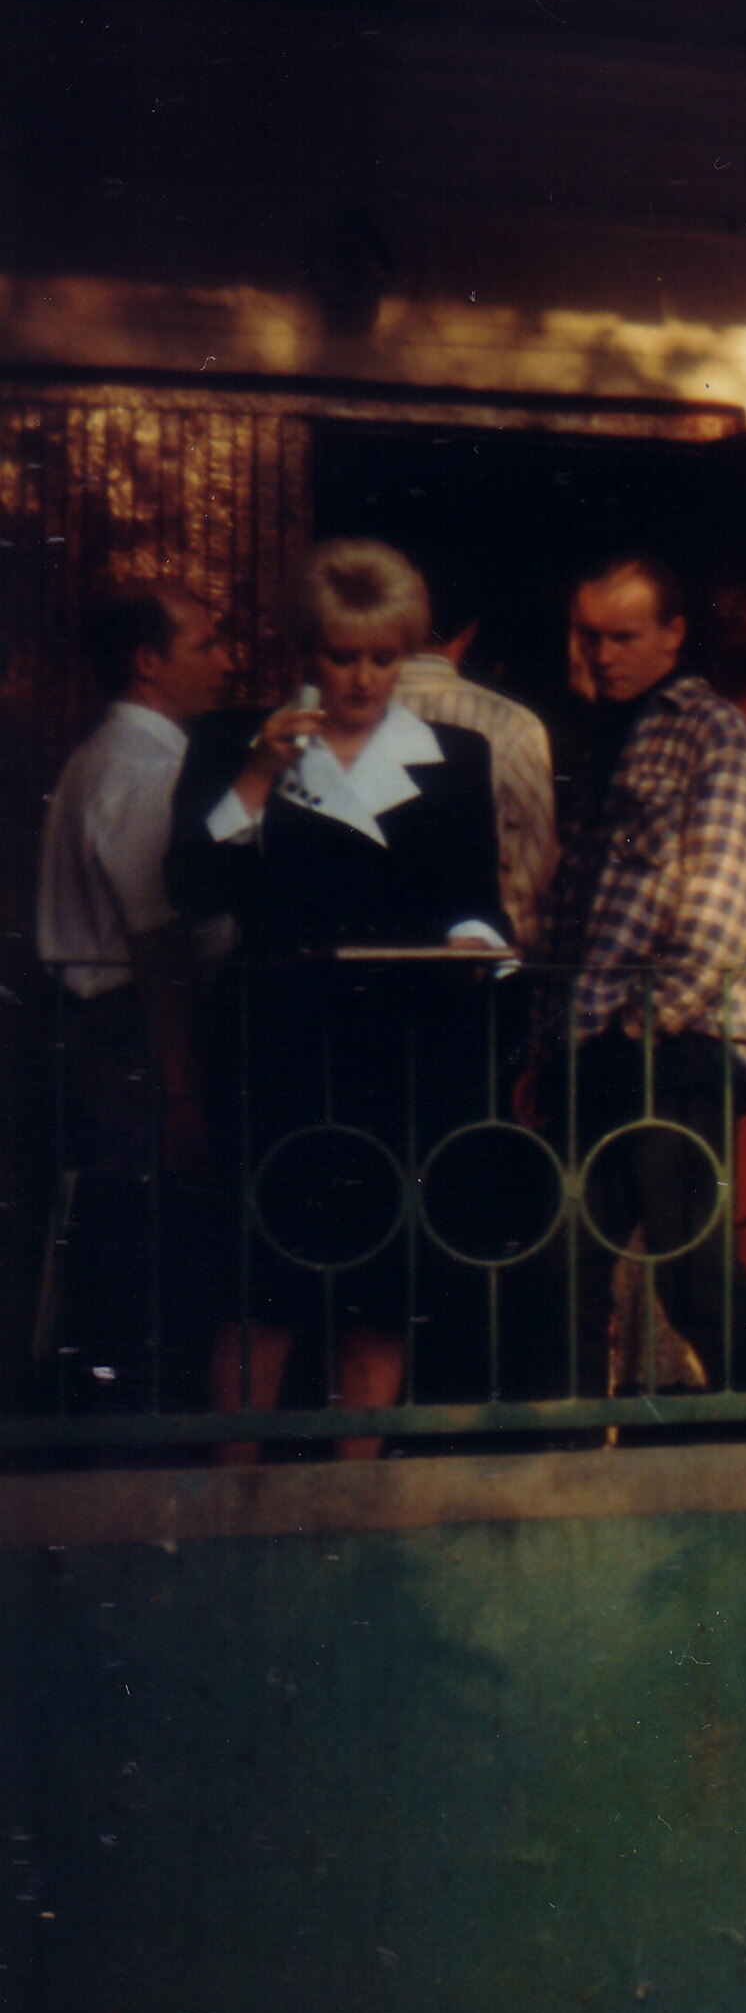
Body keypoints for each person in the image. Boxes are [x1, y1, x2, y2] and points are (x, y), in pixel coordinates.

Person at [172, 540, 508, 1440]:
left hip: (403, 1060)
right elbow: (190, 890)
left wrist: (474, 945)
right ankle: (230, 1499)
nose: (363, 678)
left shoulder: (457, 756)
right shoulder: (233, 741)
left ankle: (355, 1498)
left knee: (383, 1290)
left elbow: (478, 903)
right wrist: (255, 774)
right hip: (276, 1055)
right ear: (303, 651)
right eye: (341, 655)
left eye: (383, 656)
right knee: (263, 1287)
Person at [531, 552, 746, 1399]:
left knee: (691, 1269)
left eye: (624, 636)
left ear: (673, 635)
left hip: (677, 1047)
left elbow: (731, 892)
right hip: (593, 1040)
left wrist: (650, 1018)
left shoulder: (712, 733)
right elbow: (575, 901)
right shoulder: (599, 733)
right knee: (565, 1260)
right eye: (590, 635)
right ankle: (566, 1450)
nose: (604, 654)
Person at [35, 580, 234, 1407]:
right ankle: (132, 1432)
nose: (227, 662)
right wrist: (185, 1096)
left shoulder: (107, 757)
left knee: (129, 1236)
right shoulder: (145, 768)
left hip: (117, 1031)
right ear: (148, 663)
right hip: (137, 1035)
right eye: (207, 646)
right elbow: (160, 948)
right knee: (148, 1242)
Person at [391, 581, 559, 951]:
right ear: (469, 630)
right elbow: (533, 877)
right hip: (478, 971)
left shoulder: (319, 718)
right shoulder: (514, 725)